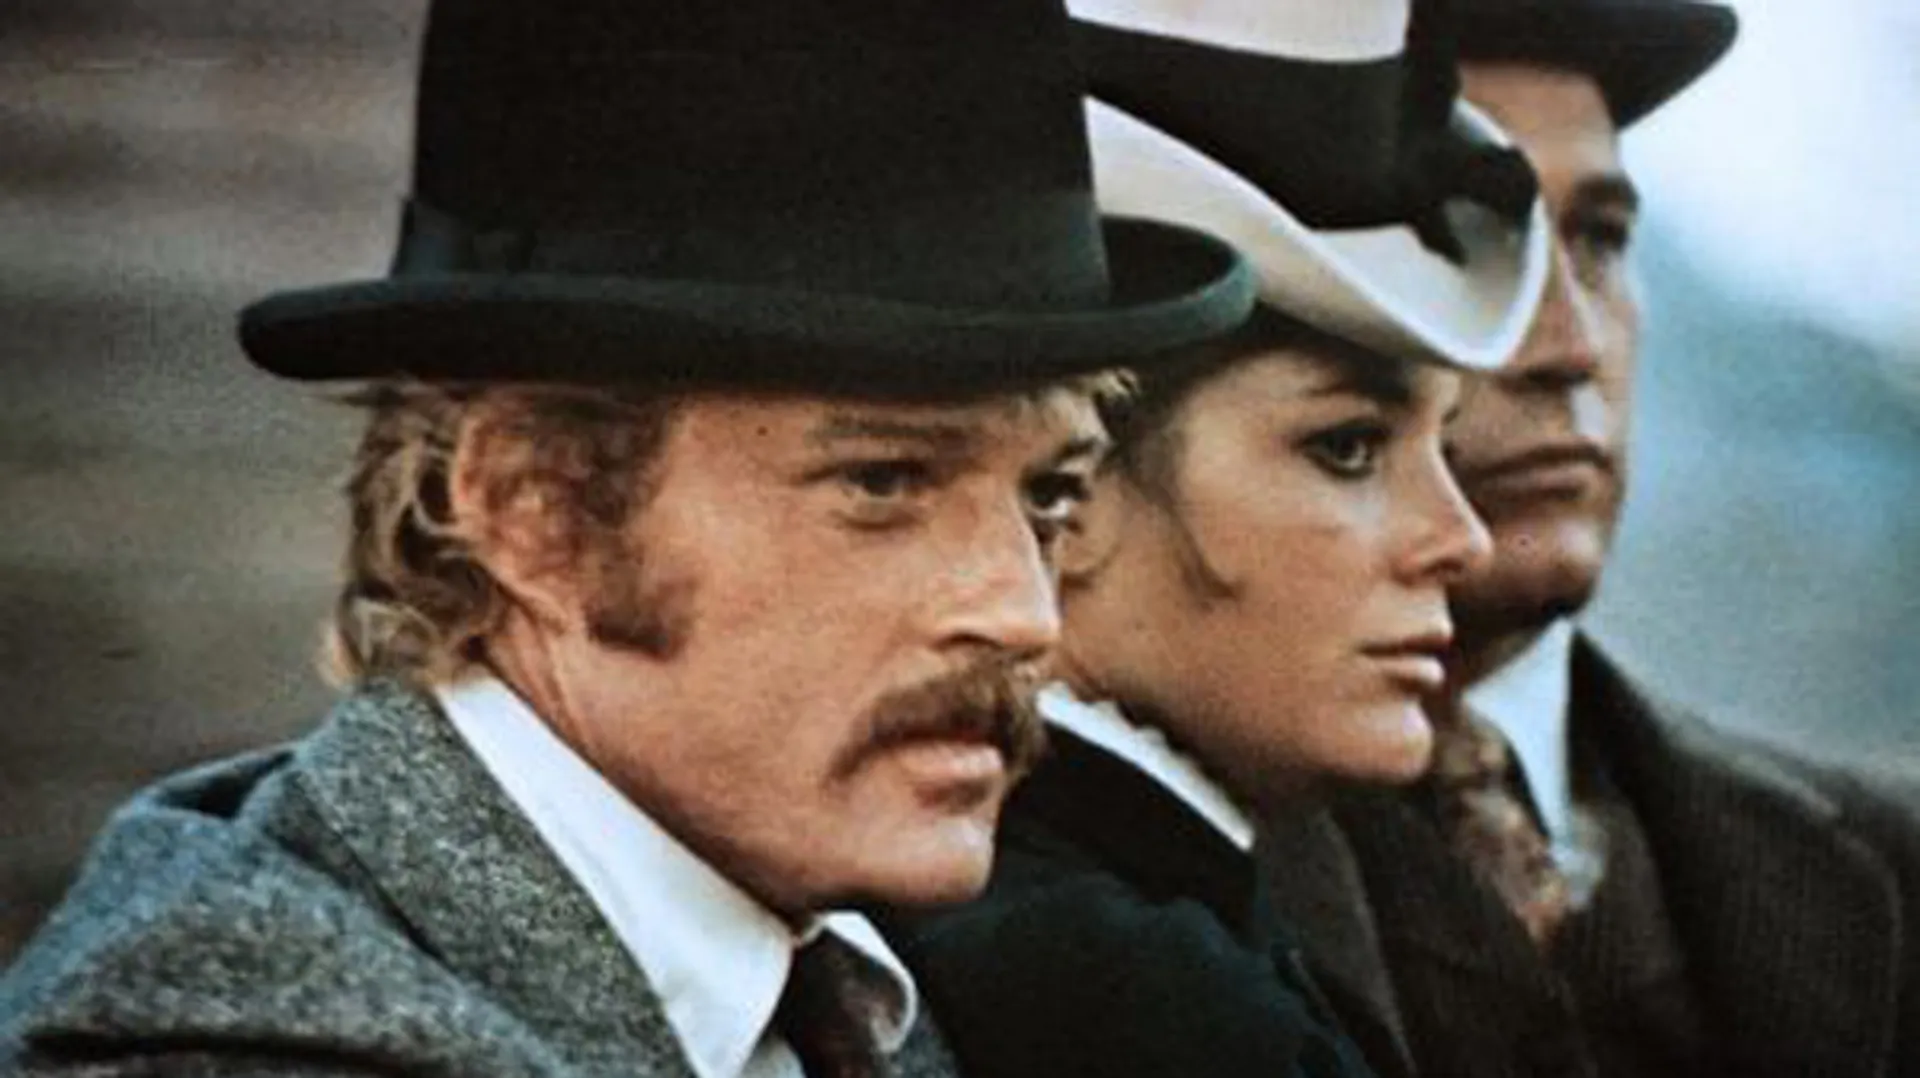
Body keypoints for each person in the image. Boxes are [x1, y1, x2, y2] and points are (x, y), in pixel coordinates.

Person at [0, 0, 1256, 1073]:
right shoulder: (238, 1041)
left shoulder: (842, 994)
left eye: (1047, 498)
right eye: (882, 481)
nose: (1024, 612)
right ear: (534, 509)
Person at [879, 1, 1550, 1075]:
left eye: (1449, 446)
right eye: (1346, 448)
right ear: (1072, 487)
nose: (1461, 540)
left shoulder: (1169, 907)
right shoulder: (1124, 985)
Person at [1260, 1, 1920, 1075]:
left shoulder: (1885, 869)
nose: (1569, 344)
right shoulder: (1093, 878)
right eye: (1468, 238)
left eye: (1600, 239)